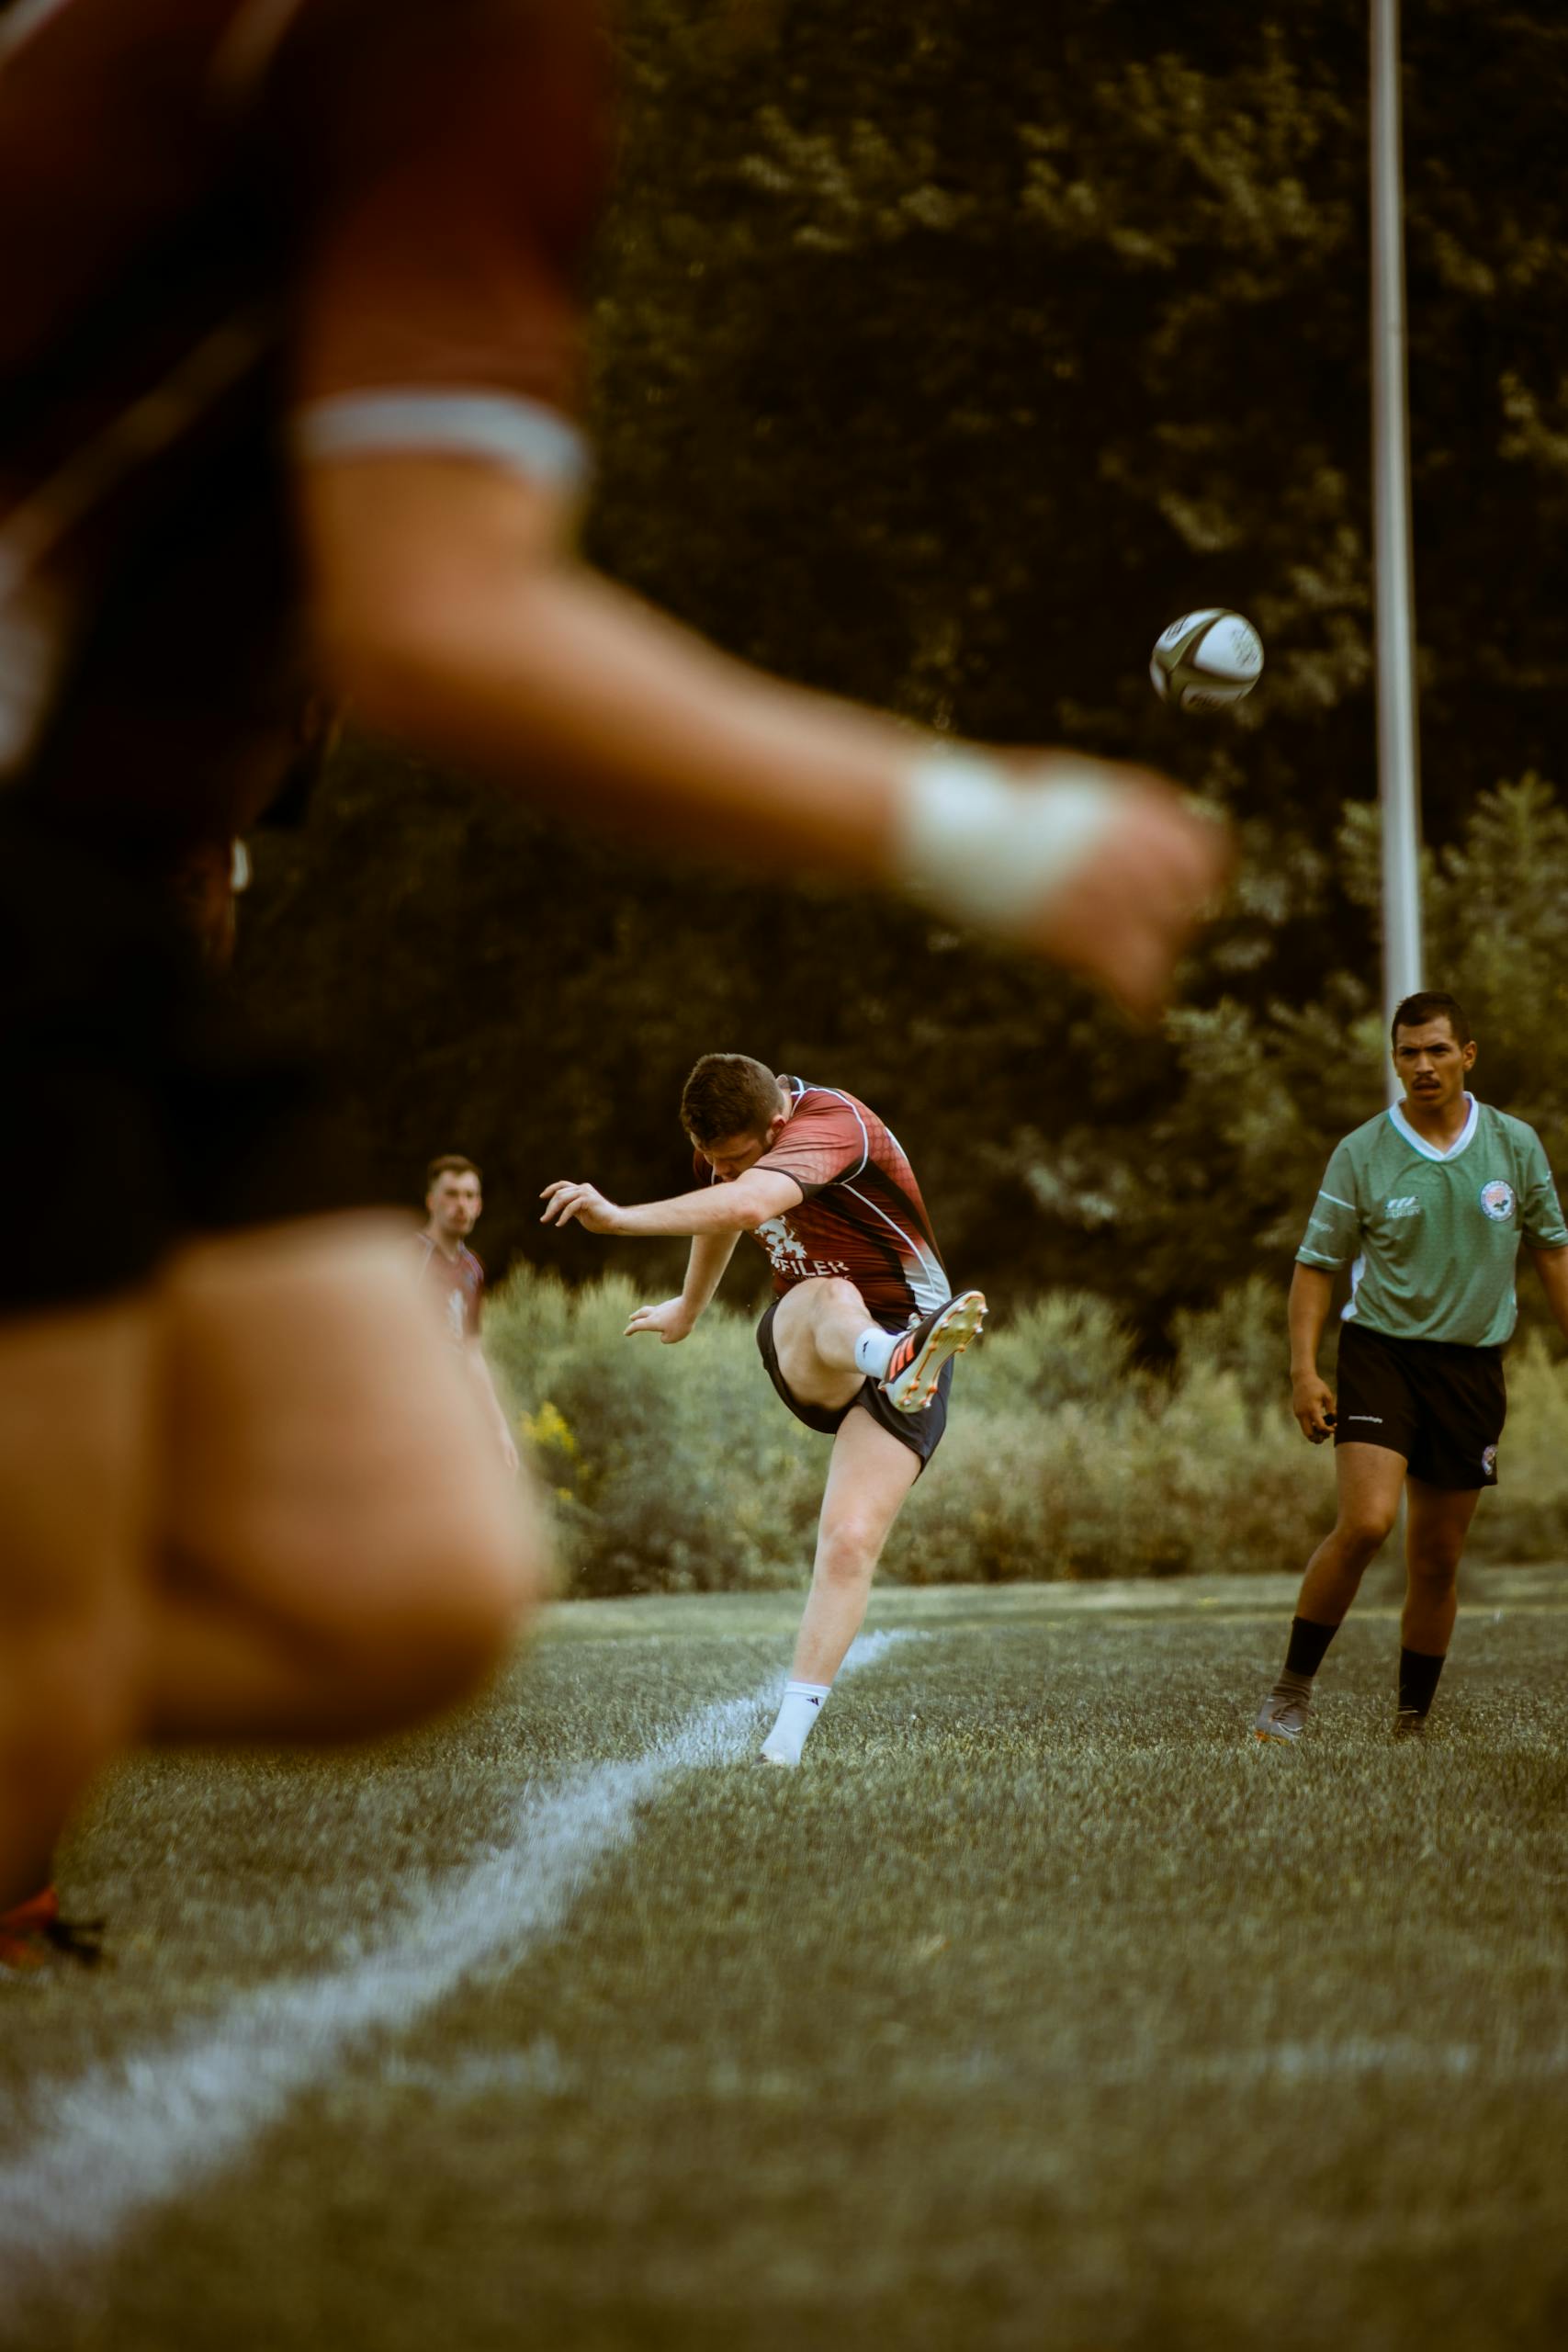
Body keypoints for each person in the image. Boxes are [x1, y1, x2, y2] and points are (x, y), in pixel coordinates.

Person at [0, 0, 1222, 1965]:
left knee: (402, 1585)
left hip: (98, 887)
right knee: (284, 1585)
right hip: (42, 871)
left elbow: (758, 1203)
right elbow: (443, 616)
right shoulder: (428, 40)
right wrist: (982, 824)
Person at [541, 1053, 985, 1767]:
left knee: (847, 1541)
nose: (719, 1172)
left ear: (778, 1127)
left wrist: (618, 1219)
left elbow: (745, 1206)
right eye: (710, 1161)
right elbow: (723, 1209)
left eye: (735, 1159)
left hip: (913, 1340)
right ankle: (888, 1358)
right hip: (815, 1338)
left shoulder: (833, 1124)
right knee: (830, 1293)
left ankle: (784, 1742)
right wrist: (688, 1308)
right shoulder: (727, 1146)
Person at [1254, 992, 1568, 1745]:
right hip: (1382, 1354)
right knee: (1366, 1524)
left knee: (1435, 1557)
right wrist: (1303, 1372)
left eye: (1435, 1050)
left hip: (1470, 1367)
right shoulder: (1362, 1151)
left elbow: (1552, 1251)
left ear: (1468, 1054)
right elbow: (1313, 1267)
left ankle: (1410, 1723)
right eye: (1407, 1053)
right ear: (1394, 1060)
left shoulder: (1513, 1145)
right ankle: (1288, 1696)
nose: (1421, 1066)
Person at [414, 1156, 519, 1475]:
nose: (461, 1204)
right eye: (451, 1193)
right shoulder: (409, 1259)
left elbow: (471, 1351)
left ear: (479, 1206)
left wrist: (499, 1429)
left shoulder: (472, 1269)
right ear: (432, 1201)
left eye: (469, 1195)